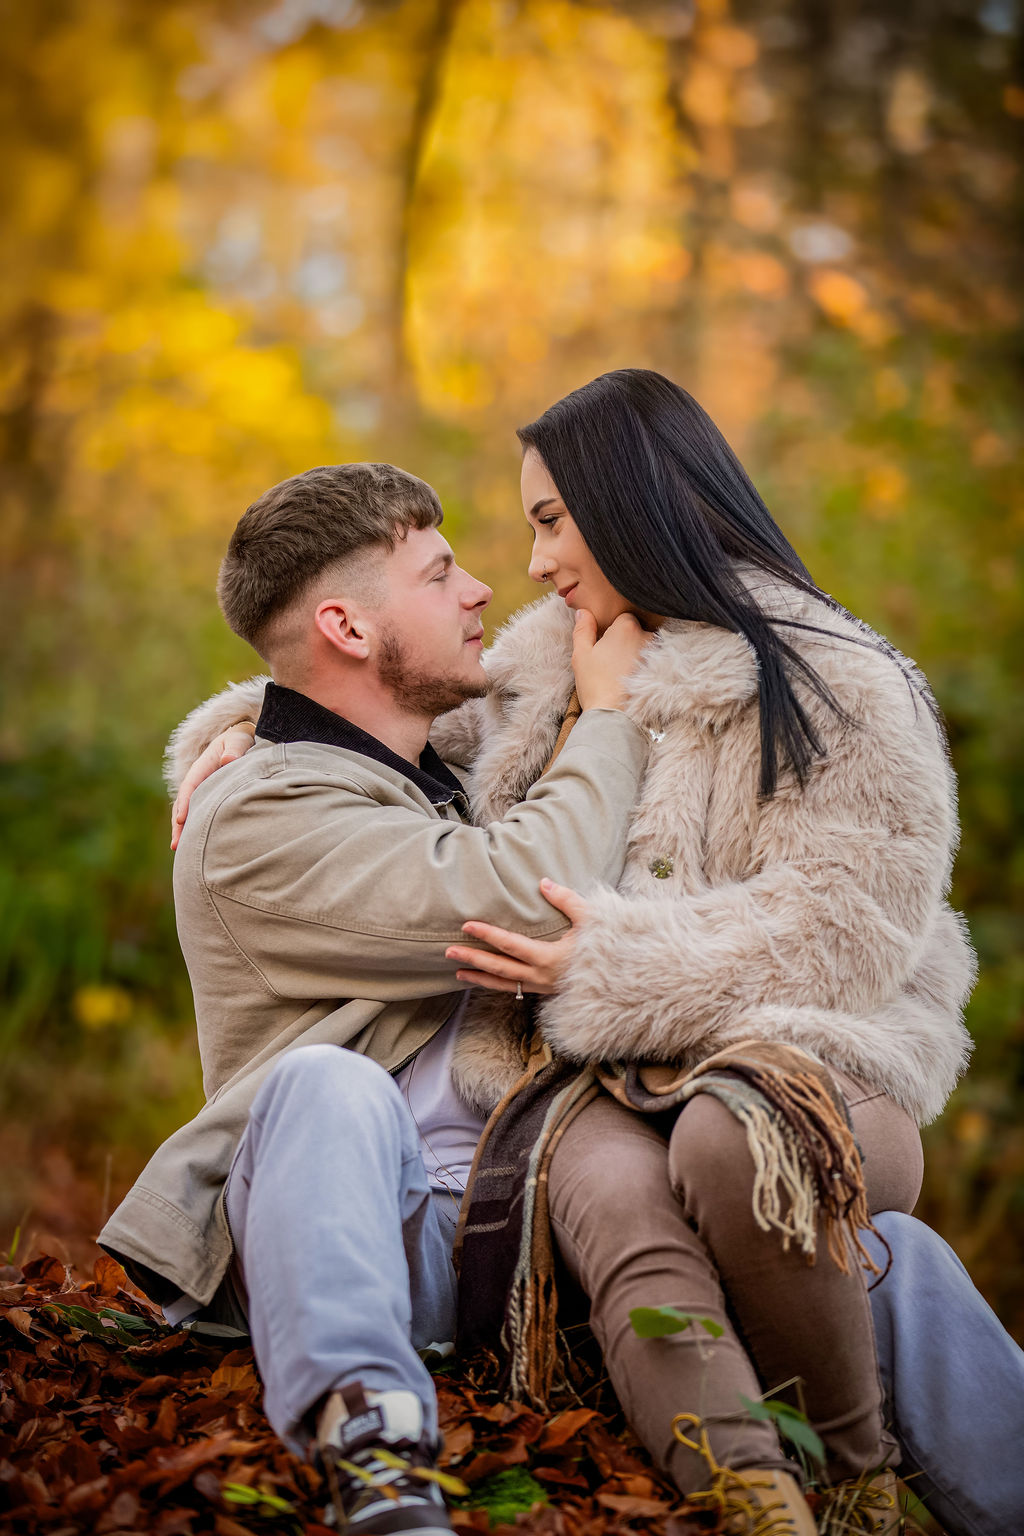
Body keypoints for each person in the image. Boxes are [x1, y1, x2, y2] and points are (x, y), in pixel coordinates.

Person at [175, 373, 1024, 1536]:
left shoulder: (836, 681)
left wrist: (609, 967)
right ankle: (742, 1493)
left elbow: (843, 929)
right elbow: (382, 711)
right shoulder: (557, 663)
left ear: (631, 507)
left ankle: (859, 1486)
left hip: (790, 1068)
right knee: (855, 1255)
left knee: (821, 1210)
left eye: (547, 521)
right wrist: (246, 727)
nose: (521, 568)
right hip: (582, 1124)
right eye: (491, 546)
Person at [100, 461, 656, 1535]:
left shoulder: (421, 780)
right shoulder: (259, 816)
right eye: (439, 573)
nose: (481, 589)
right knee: (327, 1085)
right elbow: (525, 896)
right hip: (352, 1227)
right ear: (347, 627)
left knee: (899, 1268)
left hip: (514, 1220)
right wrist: (612, 719)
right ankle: (377, 1453)